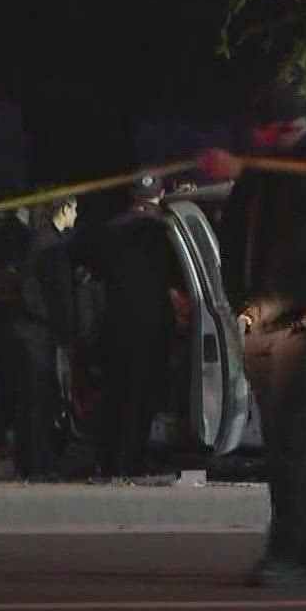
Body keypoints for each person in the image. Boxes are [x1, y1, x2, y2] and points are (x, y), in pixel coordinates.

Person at [205, 82, 306, 586]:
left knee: (288, 435)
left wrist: (244, 169)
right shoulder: (269, 172)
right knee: (288, 437)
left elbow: (302, 194)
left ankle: (291, 552)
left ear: (281, 129)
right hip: (270, 319)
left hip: (305, 319)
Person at [88, 178, 182, 479]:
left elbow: (93, 277)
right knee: (140, 400)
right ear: (161, 195)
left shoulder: (109, 232)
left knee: (115, 397)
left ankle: (109, 461)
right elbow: (179, 281)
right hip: (150, 332)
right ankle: (131, 464)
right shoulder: (163, 233)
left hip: (114, 328)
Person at [12, 197, 77, 479]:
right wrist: (60, 327)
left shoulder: (42, 241)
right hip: (37, 334)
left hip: (33, 333)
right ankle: (38, 466)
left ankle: (29, 462)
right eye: (74, 208)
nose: (76, 214)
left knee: (33, 401)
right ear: (64, 209)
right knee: (39, 402)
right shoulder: (50, 245)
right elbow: (45, 295)